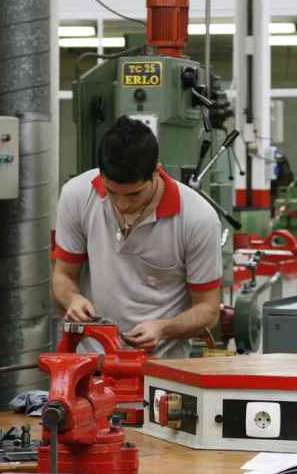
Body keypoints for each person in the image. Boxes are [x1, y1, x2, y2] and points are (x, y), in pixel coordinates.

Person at [52, 115, 223, 358]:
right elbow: (63, 276)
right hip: (91, 363)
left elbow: (208, 309)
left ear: (157, 171)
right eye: (112, 192)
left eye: (133, 195)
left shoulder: (197, 218)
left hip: (163, 369)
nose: (121, 204)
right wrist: (71, 299)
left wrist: (164, 329)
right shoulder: (77, 196)